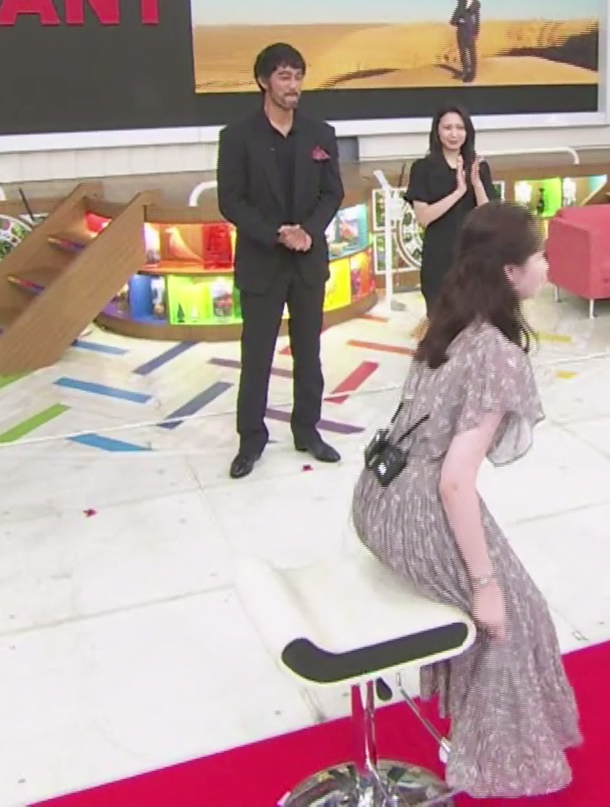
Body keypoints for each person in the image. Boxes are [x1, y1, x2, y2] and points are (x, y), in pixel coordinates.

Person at [352, 201, 580, 798]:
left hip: (376, 494)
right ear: (510, 271)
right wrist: (485, 585)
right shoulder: (497, 354)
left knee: (513, 599)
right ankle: (499, 764)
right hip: (417, 506)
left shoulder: (450, 320)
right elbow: (455, 482)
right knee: (514, 616)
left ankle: (484, 730)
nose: (548, 266)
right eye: (540, 256)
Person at [216, 43, 344, 480]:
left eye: (298, 76)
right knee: (257, 356)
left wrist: (308, 230)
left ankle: (307, 430)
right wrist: (277, 233)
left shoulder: (320, 133)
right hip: (262, 261)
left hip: (307, 261)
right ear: (263, 81)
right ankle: (251, 439)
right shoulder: (237, 137)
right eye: (284, 76)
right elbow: (231, 200)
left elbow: (332, 192)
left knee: (309, 353)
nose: (293, 86)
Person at [406, 105, 498, 314]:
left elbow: (489, 215)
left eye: (460, 128)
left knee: (475, 321)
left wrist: (476, 184)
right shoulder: (422, 168)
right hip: (439, 257)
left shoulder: (478, 166)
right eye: (447, 128)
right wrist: (458, 192)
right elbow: (423, 217)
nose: (454, 134)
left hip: (474, 257)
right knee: (441, 320)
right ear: (437, 131)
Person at [446, 0, 480, 84]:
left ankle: (473, 73)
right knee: (462, 51)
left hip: (470, 29)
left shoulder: (477, 3)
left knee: (471, 52)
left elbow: (477, 18)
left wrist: (476, 32)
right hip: (460, 27)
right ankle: (465, 71)